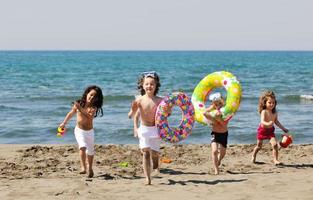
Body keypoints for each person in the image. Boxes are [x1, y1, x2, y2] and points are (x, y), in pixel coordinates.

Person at [59, 85, 103, 178]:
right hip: (79, 130)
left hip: (89, 132)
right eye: (90, 95)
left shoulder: (93, 107)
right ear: (87, 94)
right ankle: (83, 167)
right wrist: (64, 123)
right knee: (82, 147)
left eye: (94, 97)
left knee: (90, 151)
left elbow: (89, 116)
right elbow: (71, 113)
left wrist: (80, 108)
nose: (91, 98)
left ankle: (90, 168)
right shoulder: (79, 103)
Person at [128, 71, 162, 185]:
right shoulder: (139, 100)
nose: (149, 86)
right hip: (144, 129)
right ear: (142, 85)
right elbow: (131, 115)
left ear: (156, 86)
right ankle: (148, 178)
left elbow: (167, 114)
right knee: (146, 153)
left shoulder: (160, 100)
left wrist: (168, 110)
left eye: (152, 84)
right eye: (147, 84)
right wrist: (135, 127)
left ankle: (156, 162)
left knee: (155, 153)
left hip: (155, 129)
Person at [251, 90, 288, 165]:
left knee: (274, 145)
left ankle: (275, 160)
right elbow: (262, 122)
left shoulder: (275, 112)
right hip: (262, 131)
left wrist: (283, 128)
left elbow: (276, 122)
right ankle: (253, 156)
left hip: (270, 131)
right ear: (265, 103)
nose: (271, 104)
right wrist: (268, 123)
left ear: (275, 103)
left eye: (273, 103)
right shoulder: (264, 111)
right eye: (269, 102)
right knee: (259, 146)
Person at [203, 92, 228, 175]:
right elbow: (204, 113)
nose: (218, 105)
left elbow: (224, 124)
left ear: (222, 102)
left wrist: (219, 119)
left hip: (224, 133)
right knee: (214, 151)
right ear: (213, 103)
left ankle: (219, 160)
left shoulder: (225, 110)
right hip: (215, 133)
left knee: (223, 153)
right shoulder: (212, 108)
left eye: (219, 103)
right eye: (216, 103)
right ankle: (216, 170)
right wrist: (214, 120)